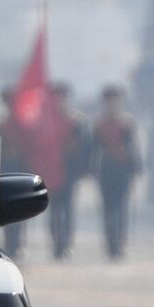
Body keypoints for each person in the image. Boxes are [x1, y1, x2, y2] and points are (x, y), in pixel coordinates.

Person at [92, 85, 142, 259]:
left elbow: (133, 148)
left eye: (115, 101)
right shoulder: (99, 124)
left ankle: (120, 243)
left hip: (122, 170)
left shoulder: (127, 123)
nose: (112, 104)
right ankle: (110, 242)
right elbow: (94, 149)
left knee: (121, 207)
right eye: (109, 101)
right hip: (106, 169)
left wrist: (136, 167)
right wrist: (91, 169)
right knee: (108, 208)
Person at [47, 82, 92, 260]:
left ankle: (66, 243)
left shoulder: (76, 122)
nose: (59, 101)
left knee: (67, 209)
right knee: (53, 210)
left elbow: (85, 148)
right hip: (51, 170)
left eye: (62, 97)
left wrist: (84, 170)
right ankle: (56, 243)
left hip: (69, 172)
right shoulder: (46, 121)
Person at [0, 86, 29, 257]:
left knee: (21, 209)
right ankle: (10, 242)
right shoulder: (0, 125)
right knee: (6, 210)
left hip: (21, 169)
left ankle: (18, 243)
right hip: (5, 170)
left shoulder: (24, 124)